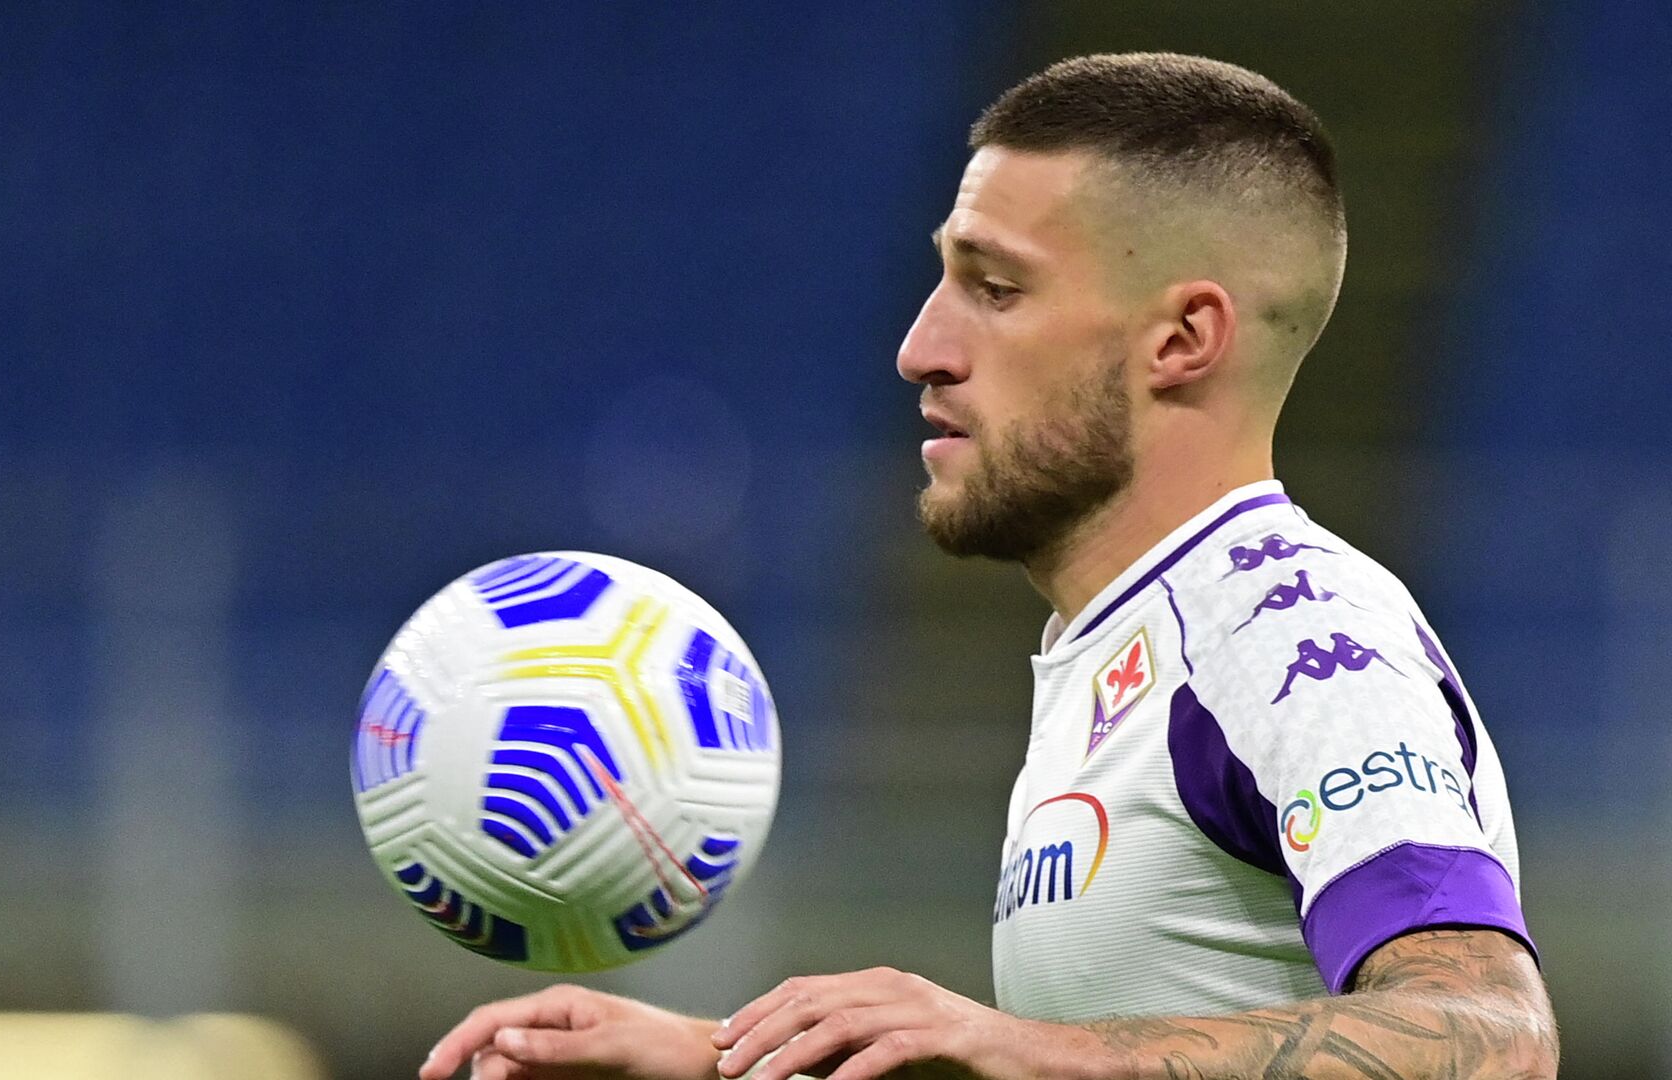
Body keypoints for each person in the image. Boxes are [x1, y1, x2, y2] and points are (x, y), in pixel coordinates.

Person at [419, 52, 1559, 1080]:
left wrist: (1016, 1044)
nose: (920, 348)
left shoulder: (1287, 630)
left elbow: (1490, 1038)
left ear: (1182, 340)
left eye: (995, 288)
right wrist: (729, 1061)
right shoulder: (1121, 644)